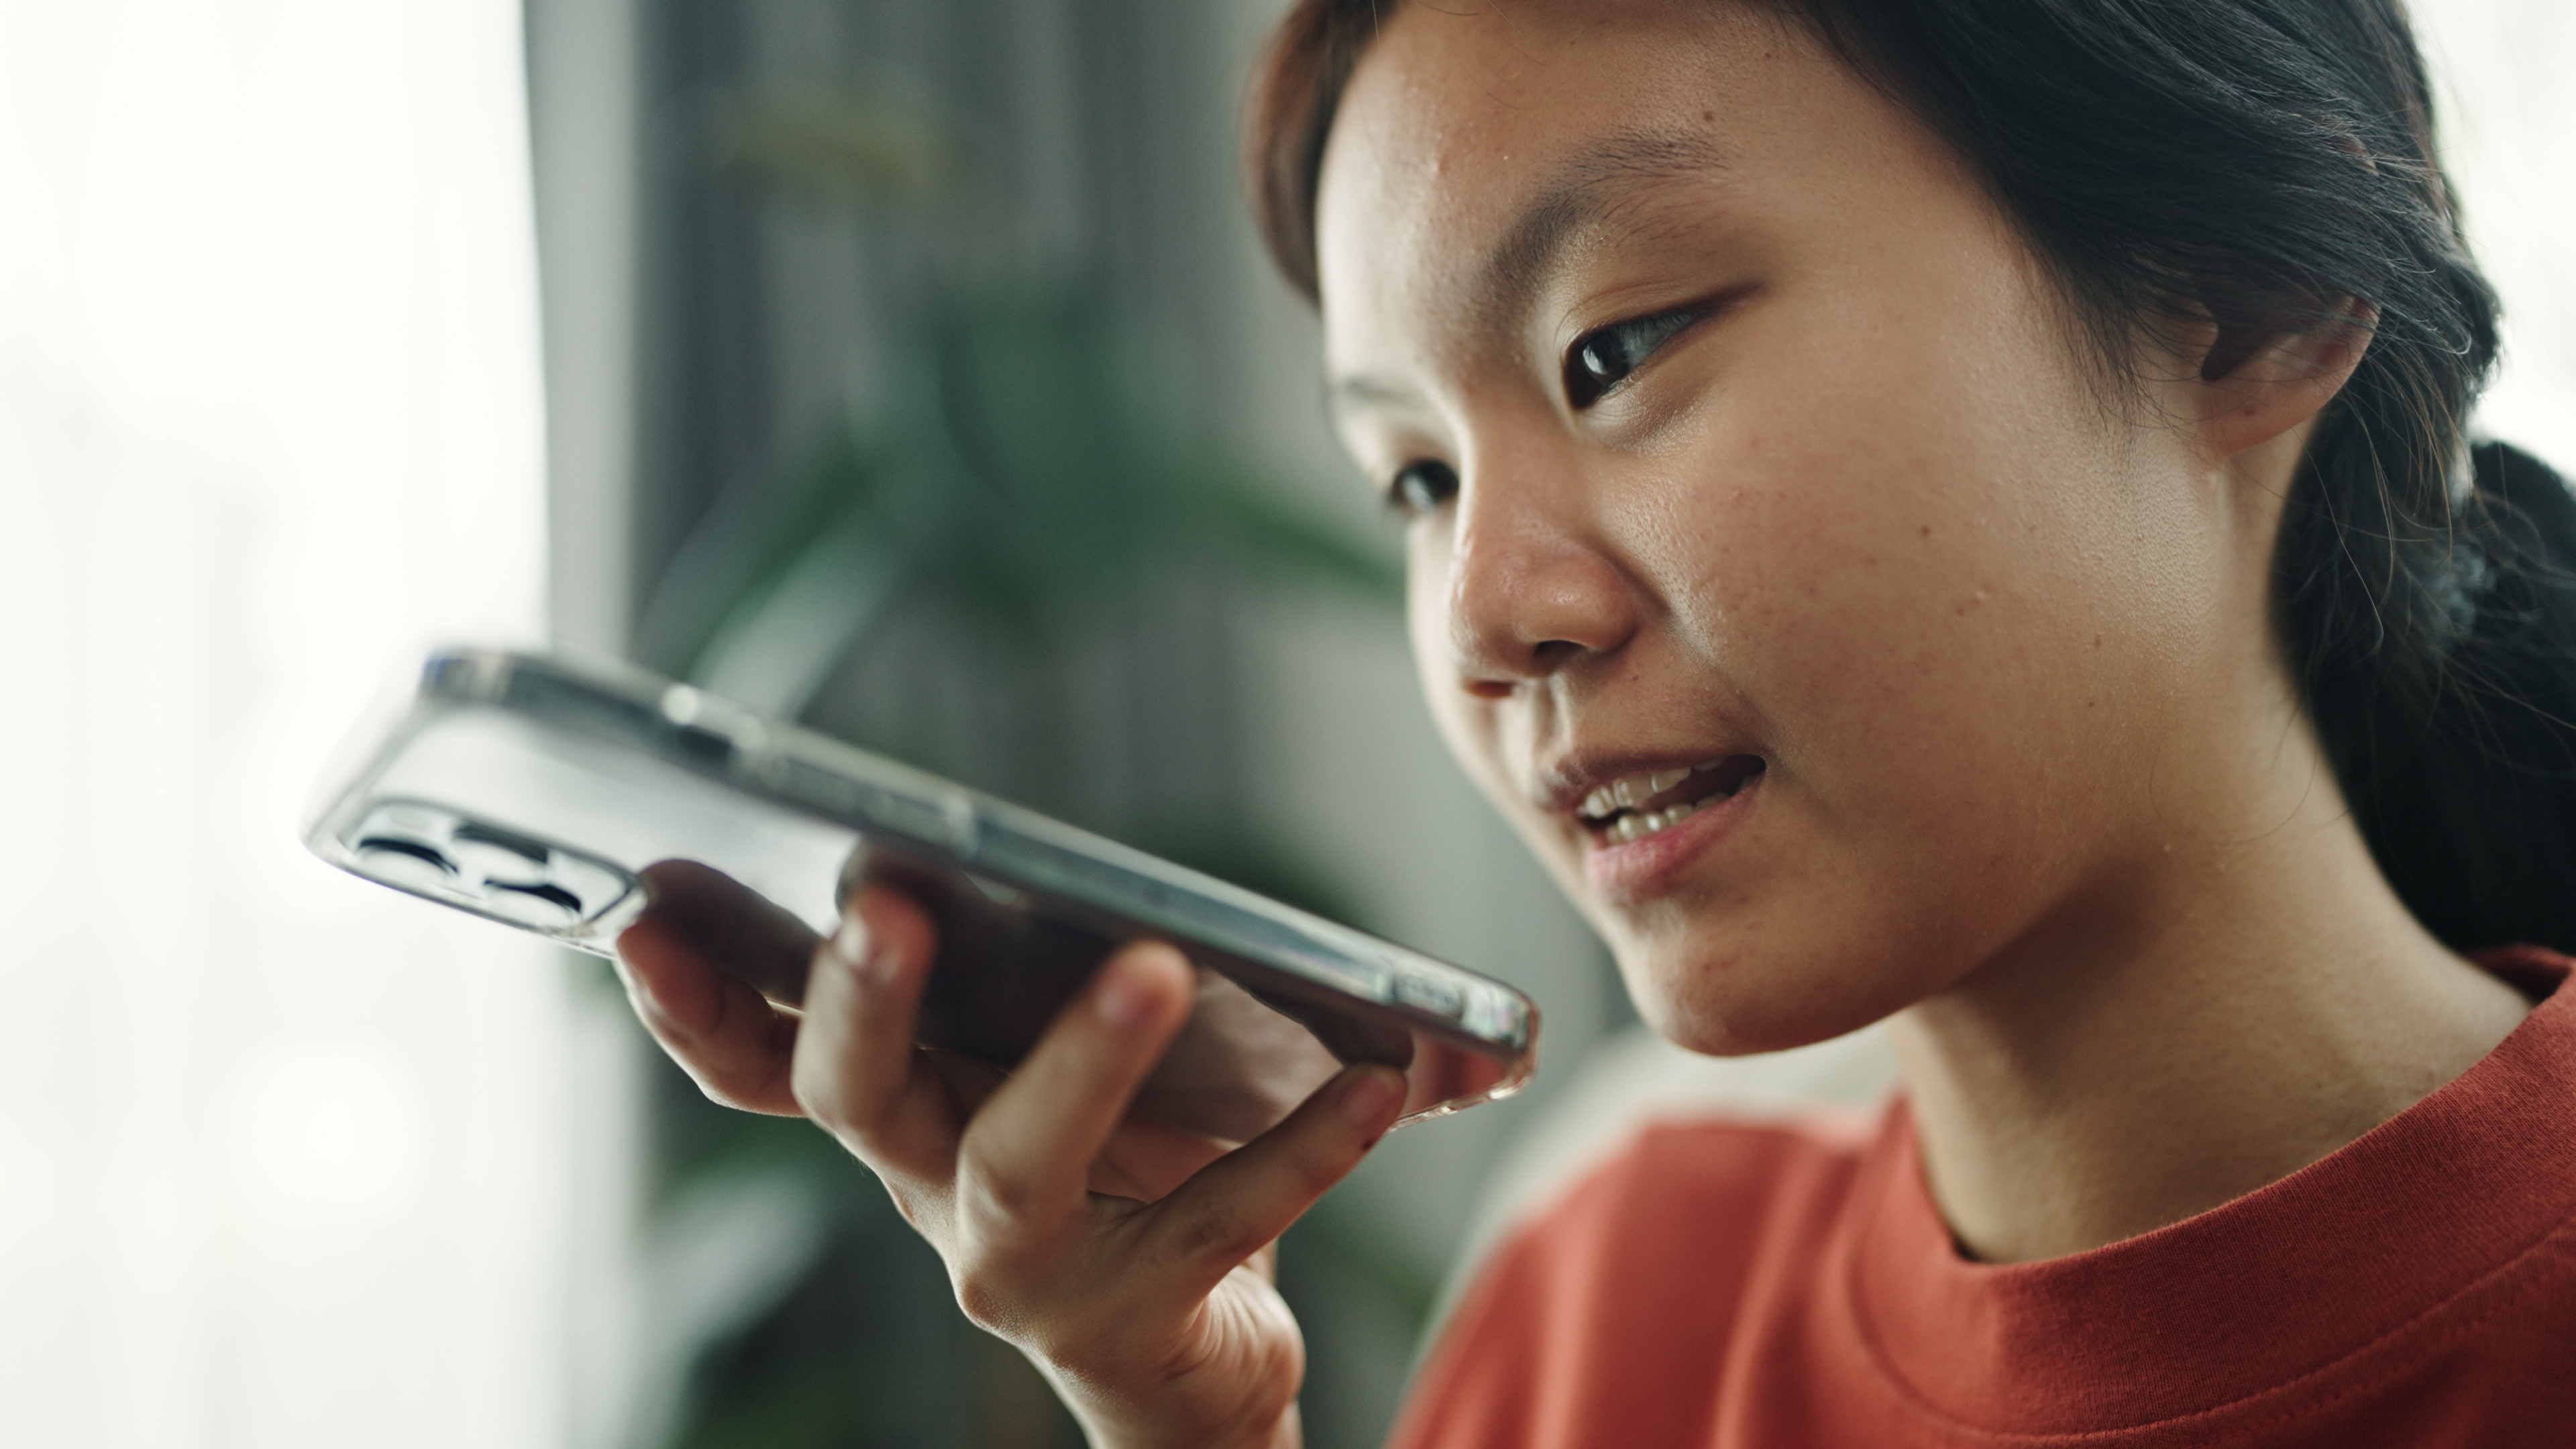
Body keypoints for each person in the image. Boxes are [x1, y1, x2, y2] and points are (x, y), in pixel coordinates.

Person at [612, 0, 2576, 1444]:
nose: (1483, 615)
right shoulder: (1609, 1302)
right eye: (1414, 478)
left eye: (1613, 350)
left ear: (2247, 299)